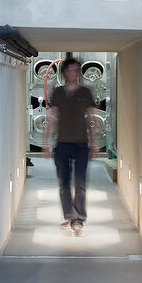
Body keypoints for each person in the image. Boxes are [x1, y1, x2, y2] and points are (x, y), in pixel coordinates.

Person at [42, 57, 99, 237]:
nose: (75, 72)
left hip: (81, 144)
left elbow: (91, 119)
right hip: (62, 144)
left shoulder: (85, 92)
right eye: (72, 69)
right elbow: (51, 118)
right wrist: (45, 143)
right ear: (65, 72)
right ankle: (69, 215)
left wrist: (95, 143)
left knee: (80, 184)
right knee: (64, 184)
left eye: (77, 69)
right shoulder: (57, 92)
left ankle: (78, 220)